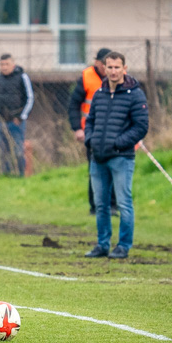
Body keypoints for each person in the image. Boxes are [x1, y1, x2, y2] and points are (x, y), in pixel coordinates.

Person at [84, 51, 148, 260]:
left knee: (123, 203)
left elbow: (141, 127)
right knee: (101, 205)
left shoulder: (135, 94)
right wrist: (90, 140)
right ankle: (102, 245)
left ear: (124, 69)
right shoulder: (100, 93)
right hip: (98, 158)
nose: (113, 71)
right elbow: (90, 120)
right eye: (109, 67)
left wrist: (118, 143)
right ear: (104, 68)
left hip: (122, 157)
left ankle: (123, 246)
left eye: (117, 67)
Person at [68, 47, 117, 215]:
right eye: (106, 64)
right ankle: (95, 206)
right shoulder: (86, 77)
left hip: (114, 132)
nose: (109, 68)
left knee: (115, 167)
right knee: (95, 168)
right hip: (91, 131)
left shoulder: (119, 78)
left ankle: (112, 205)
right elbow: (74, 105)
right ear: (97, 63)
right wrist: (77, 128)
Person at [0, 53, 33, 177]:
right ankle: (6, 175)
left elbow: (30, 98)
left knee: (19, 151)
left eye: (7, 64)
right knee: (3, 151)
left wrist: (21, 116)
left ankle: (21, 175)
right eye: (2, 64)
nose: (4, 67)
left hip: (16, 122)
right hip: (1, 121)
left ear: (13, 64)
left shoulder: (22, 77)